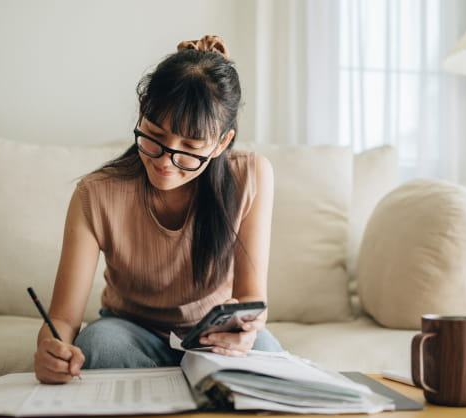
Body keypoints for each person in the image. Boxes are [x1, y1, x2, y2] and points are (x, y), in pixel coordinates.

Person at [34, 35, 283, 384]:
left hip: (213, 337)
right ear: (140, 113)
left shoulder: (251, 175)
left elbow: (252, 298)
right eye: (154, 136)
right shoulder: (96, 193)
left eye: (190, 147)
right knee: (98, 345)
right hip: (130, 332)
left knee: (270, 362)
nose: (166, 161)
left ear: (222, 143)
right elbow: (63, 318)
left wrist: (246, 331)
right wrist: (51, 346)